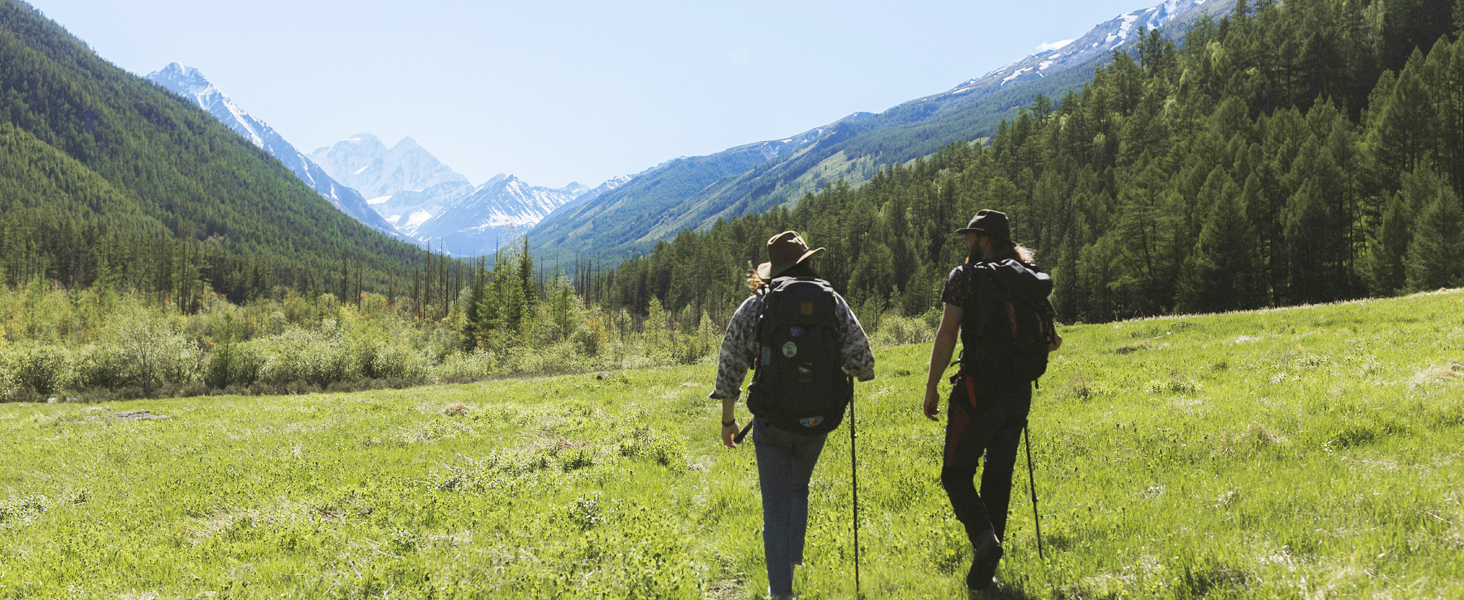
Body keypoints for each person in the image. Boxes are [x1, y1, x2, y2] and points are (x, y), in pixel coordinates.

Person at [710, 231, 875, 600]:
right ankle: (792, 559)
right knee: (799, 487)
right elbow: (863, 362)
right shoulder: (832, 301)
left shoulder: (757, 305)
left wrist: (728, 419)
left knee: (775, 505)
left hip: (772, 419)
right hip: (818, 420)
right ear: (806, 261)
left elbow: (731, 362)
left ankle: (781, 592)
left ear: (774, 268)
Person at [922, 209, 1054, 591]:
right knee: (999, 475)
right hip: (1019, 391)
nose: (967, 243)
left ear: (986, 240)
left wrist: (931, 386)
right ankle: (987, 568)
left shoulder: (965, 277)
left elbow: (947, 333)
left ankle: (985, 540)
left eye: (972, 237)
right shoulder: (1027, 278)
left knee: (954, 473)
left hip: (978, 389)